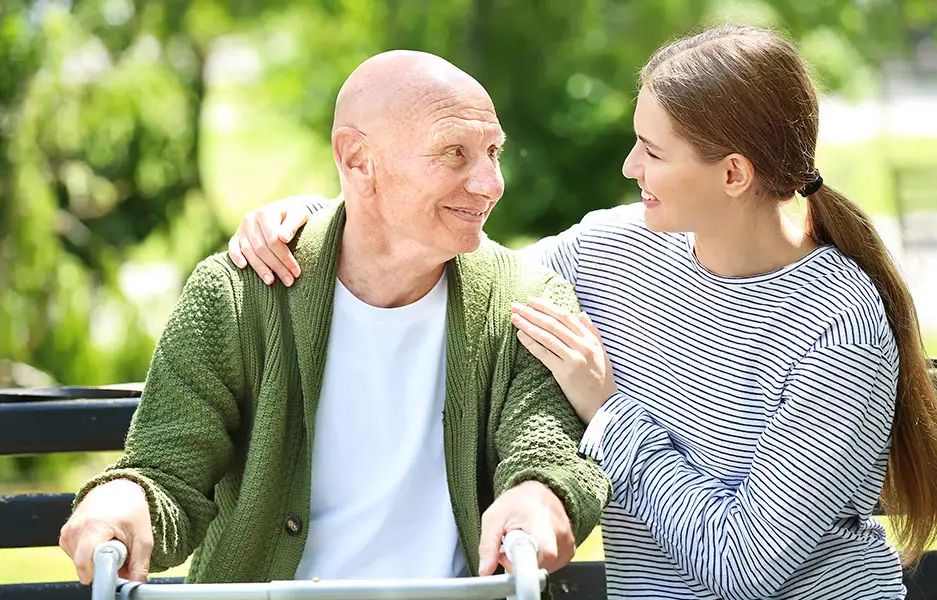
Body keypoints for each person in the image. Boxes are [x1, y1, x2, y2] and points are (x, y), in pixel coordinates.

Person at [229, 26, 937, 600]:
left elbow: (740, 565)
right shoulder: (609, 252)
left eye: (652, 151)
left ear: (731, 175)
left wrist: (607, 412)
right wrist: (326, 218)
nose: (629, 166)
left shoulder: (838, 326)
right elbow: (448, 260)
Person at [59, 50, 609, 587]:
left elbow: (546, 458)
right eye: (454, 153)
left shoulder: (529, 302)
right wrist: (121, 502)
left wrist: (539, 499)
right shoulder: (237, 294)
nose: (490, 183)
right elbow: (167, 469)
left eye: (493, 152)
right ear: (357, 159)